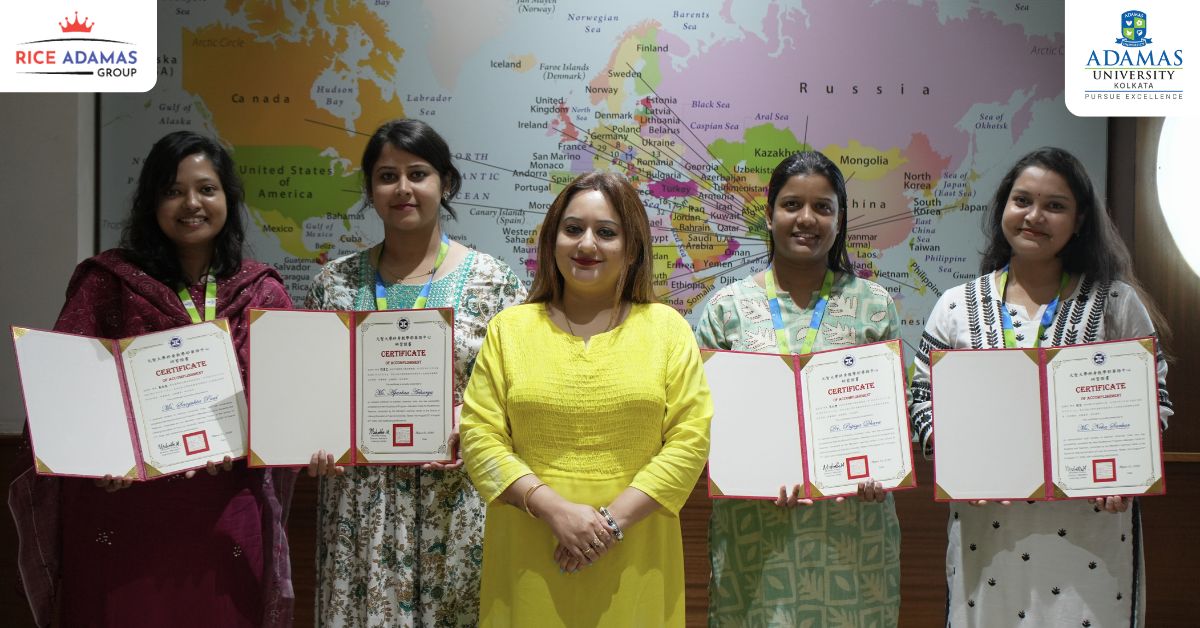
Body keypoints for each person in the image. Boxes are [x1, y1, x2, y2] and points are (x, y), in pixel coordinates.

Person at [8, 131, 296, 627]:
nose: (191, 204)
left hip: (223, 510)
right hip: (124, 511)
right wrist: (99, 460)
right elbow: (62, 395)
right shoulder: (107, 283)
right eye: (172, 190)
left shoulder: (260, 290)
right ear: (151, 201)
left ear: (228, 197)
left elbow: (288, 398)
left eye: (207, 189)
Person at [908, 146, 1173, 627]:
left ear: (1080, 220)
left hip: (1091, 529)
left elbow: (1153, 396)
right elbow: (923, 400)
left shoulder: (1116, 303)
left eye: (1055, 205)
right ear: (1003, 207)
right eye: (1022, 200)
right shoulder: (955, 306)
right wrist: (959, 462)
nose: (1034, 216)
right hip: (988, 532)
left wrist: (1128, 472)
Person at [459, 171, 712, 626]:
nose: (587, 244)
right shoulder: (509, 329)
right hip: (530, 544)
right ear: (552, 239)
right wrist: (554, 511)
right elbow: (480, 437)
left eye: (607, 232)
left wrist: (608, 526)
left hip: (638, 549)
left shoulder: (667, 329)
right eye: (573, 229)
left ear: (632, 248)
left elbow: (690, 440)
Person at [304, 118, 526, 627]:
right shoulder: (332, 285)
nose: (402, 188)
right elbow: (313, 391)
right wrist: (312, 439)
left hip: (458, 504)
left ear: (445, 183)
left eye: (418, 173)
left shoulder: (495, 284)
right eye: (386, 176)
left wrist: (469, 418)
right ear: (370, 189)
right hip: (360, 507)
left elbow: (521, 392)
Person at [694, 151, 902, 626]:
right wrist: (748, 469)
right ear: (769, 215)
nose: (806, 219)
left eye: (822, 207)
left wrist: (881, 472)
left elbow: (887, 421)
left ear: (839, 219)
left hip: (853, 532)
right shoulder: (727, 309)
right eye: (791, 205)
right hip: (755, 532)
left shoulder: (874, 306)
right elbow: (701, 422)